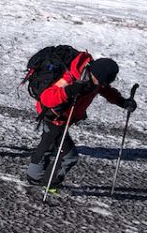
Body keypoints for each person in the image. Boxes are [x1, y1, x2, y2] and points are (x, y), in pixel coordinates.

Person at [26, 54, 136, 188]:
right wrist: (69, 91)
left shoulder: (95, 77)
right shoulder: (71, 77)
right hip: (54, 118)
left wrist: (122, 102)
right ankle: (49, 184)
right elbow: (47, 98)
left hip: (64, 118)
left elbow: (106, 90)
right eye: (100, 82)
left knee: (48, 145)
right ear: (94, 73)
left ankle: (34, 177)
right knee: (69, 157)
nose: (101, 85)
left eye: (104, 83)